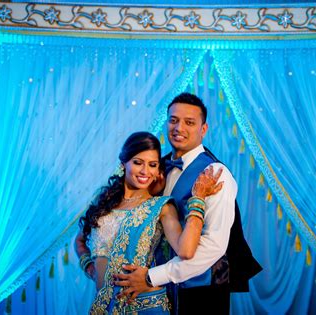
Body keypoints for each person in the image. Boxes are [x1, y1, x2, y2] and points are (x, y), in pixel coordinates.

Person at [114, 93, 262, 315]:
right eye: (173, 120)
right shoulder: (155, 167)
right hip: (156, 292)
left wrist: (152, 276)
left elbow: (214, 245)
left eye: (189, 122)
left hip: (202, 291)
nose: (178, 127)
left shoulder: (215, 174)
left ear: (204, 129)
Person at [74, 131, 224, 314]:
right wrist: (89, 267)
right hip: (103, 306)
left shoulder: (161, 207)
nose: (145, 171)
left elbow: (186, 250)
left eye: (152, 165)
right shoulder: (103, 201)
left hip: (143, 305)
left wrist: (198, 198)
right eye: (138, 163)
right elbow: (80, 240)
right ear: (123, 164)